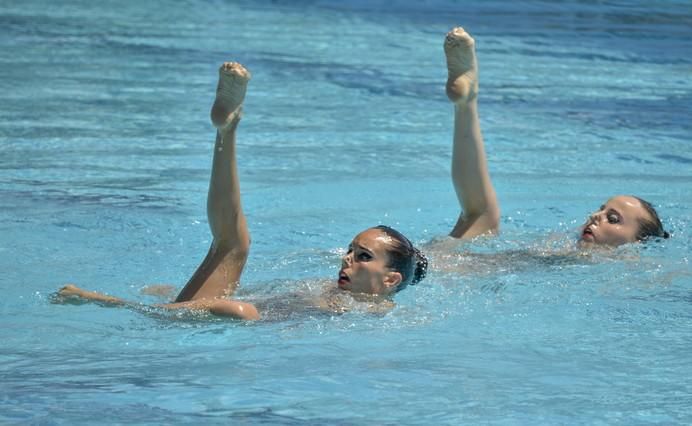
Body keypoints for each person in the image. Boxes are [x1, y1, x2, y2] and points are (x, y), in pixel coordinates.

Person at [57, 62, 428, 320]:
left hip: (226, 316)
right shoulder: (336, 293)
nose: (346, 259)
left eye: (362, 256)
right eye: (350, 250)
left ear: (391, 280)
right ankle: (227, 129)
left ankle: (111, 304)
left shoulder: (377, 313)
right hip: (213, 311)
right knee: (234, 257)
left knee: (237, 282)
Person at [440, 27, 668, 247]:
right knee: (481, 216)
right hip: (419, 267)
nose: (596, 216)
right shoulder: (559, 252)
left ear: (637, 246)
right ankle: (466, 103)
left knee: (481, 214)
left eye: (613, 219)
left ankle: (467, 104)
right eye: (602, 209)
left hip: (418, 265)